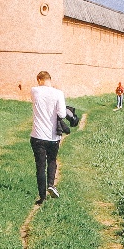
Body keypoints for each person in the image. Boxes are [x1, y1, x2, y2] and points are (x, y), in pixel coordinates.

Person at [29, 70, 74, 205]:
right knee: (52, 161)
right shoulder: (58, 93)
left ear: (39, 80)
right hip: (53, 136)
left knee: (40, 166)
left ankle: (42, 197)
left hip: (37, 135)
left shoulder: (34, 91)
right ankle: (51, 184)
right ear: (50, 79)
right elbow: (61, 113)